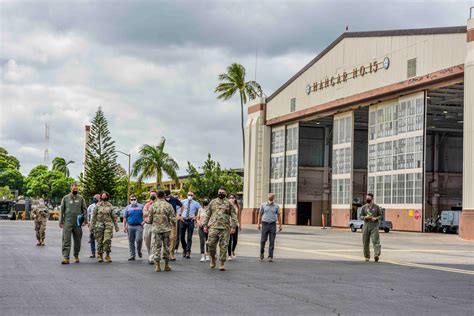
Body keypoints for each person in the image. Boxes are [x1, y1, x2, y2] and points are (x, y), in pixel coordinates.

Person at [203, 187, 238, 271]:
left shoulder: (229, 203)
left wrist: (233, 226)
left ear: (225, 193)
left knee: (224, 246)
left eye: (222, 192)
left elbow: (233, 215)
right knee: (210, 244)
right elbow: (208, 214)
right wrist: (205, 225)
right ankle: (213, 258)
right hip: (213, 227)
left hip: (225, 228)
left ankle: (222, 263)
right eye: (219, 192)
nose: (220, 193)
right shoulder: (213, 202)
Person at [59, 183, 88, 264]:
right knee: (66, 240)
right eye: (74, 188)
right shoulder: (65, 198)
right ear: (70, 188)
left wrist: (85, 220)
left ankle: (76, 255)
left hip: (78, 223)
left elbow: (84, 209)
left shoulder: (81, 198)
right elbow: (61, 210)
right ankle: (66, 257)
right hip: (67, 222)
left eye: (76, 188)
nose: (75, 189)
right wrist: (61, 221)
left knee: (78, 240)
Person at [148, 190, 176, 272]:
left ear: (157, 196)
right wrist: (173, 226)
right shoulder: (169, 205)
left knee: (157, 247)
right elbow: (173, 218)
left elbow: (150, 219)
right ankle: (166, 265)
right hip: (166, 229)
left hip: (157, 229)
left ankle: (157, 266)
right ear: (164, 196)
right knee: (166, 247)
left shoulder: (153, 205)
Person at [90, 191, 119, 263]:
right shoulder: (97, 205)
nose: (104, 197)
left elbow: (114, 217)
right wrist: (91, 227)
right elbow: (94, 217)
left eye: (105, 196)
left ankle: (107, 255)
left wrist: (116, 226)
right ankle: (100, 255)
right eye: (102, 196)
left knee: (107, 240)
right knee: (99, 240)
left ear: (107, 197)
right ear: (101, 197)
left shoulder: (110, 206)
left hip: (108, 225)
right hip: (99, 225)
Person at [257, 193, 282, 262]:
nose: (271, 197)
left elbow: (279, 215)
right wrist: (258, 224)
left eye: (272, 196)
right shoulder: (263, 205)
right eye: (270, 196)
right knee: (263, 240)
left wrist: (280, 225)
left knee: (272, 241)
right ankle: (261, 255)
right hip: (264, 224)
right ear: (268, 197)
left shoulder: (276, 206)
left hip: (273, 225)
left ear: (273, 198)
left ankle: (270, 256)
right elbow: (260, 214)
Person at [177, 191, 201, 258]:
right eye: (189, 194)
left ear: (193, 196)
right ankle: (184, 249)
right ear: (187, 195)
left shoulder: (196, 203)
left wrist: (196, 217)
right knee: (181, 237)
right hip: (183, 220)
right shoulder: (183, 201)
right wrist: (179, 216)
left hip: (190, 221)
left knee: (189, 237)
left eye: (191, 195)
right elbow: (177, 208)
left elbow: (201, 210)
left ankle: (188, 252)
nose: (190, 196)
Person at [360, 193, 382, 262]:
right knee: (365, 241)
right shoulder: (364, 207)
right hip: (366, 225)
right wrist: (365, 217)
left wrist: (376, 218)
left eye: (369, 199)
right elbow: (360, 216)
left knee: (375, 240)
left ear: (372, 199)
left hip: (374, 225)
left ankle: (376, 255)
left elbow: (380, 215)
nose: (368, 200)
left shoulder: (376, 207)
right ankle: (367, 256)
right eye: (367, 199)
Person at [123, 194, 144, 261]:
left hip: (139, 226)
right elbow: (125, 217)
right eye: (131, 199)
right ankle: (132, 255)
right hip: (130, 226)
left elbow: (146, 215)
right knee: (131, 241)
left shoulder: (141, 206)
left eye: (134, 199)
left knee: (139, 239)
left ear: (137, 199)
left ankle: (139, 251)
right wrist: (124, 226)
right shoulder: (127, 207)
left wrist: (144, 221)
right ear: (130, 200)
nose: (133, 201)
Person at [164, 189, 182, 261]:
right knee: (165, 237)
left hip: (172, 220)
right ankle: (165, 253)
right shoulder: (162, 200)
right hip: (164, 221)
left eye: (167, 195)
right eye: (165, 195)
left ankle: (171, 254)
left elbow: (182, 205)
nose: (166, 196)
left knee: (173, 237)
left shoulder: (174, 199)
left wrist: (179, 214)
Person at [143, 190, 157, 264]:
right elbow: (144, 214)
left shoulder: (158, 204)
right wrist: (152, 210)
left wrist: (149, 212)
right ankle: (150, 255)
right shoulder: (147, 205)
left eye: (154, 195)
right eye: (151, 195)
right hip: (147, 224)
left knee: (153, 242)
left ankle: (152, 257)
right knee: (147, 242)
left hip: (156, 225)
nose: (152, 196)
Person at [227, 193, 242, 260]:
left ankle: (233, 250)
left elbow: (239, 216)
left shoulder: (237, 206)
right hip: (228, 224)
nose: (231, 199)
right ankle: (229, 255)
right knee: (229, 240)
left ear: (235, 198)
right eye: (230, 197)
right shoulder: (227, 205)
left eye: (233, 197)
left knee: (235, 240)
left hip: (235, 224)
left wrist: (240, 224)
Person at [196, 198, 210, 262]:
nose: (205, 203)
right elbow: (197, 218)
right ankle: (202, 255)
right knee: (202, 241)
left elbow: (212, 218)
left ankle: (207, 255)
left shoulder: (210, 210)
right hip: (201, 227)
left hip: (208, 227)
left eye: (206, 201)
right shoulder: (200, 210)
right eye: (204, 201)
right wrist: (199, 223)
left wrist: (207, 226)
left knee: (208, 241)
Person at [87, 194, 101, 258]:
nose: (94, 199)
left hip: (99, 224)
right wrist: (88, 222)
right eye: (94, 198)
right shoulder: (91, 206)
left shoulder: (101, 205)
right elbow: (87, 214)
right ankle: (93, 253)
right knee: (92, 238)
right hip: (92, 224)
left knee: (99, 239)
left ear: (99, 198)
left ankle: (99, 253)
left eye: (96, 198)